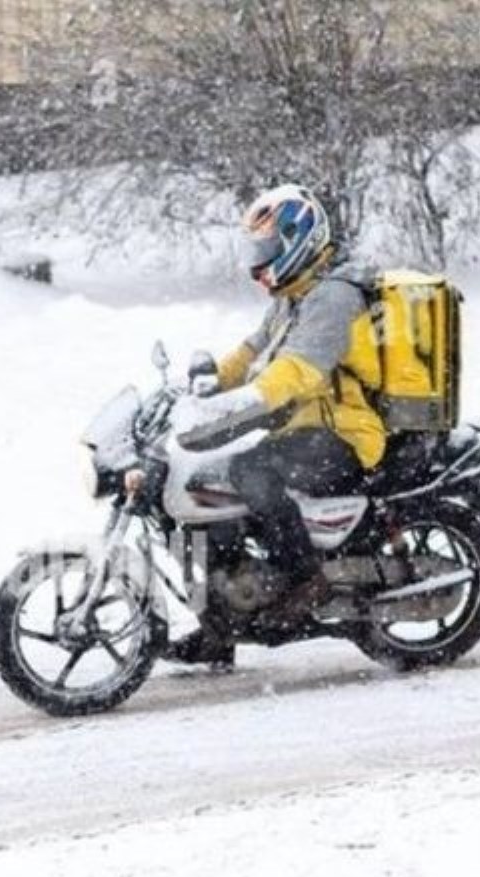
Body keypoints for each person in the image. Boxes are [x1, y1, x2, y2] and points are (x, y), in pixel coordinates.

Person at [167, 184, 387, 666]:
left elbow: (300, 369)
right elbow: (252, 352)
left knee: (249, 472)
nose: (259, 263)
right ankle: (220, 625)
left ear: (298, 240)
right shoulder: (295, 294)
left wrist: (249, 399)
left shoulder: (334, 296)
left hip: (347, 432)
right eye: (257, 251)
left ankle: (305, 578)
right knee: (211, 485)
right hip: (303, 425)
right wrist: (204, 387)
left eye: (267, 251)